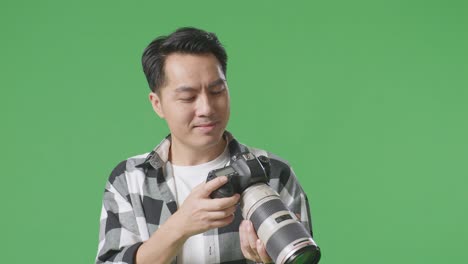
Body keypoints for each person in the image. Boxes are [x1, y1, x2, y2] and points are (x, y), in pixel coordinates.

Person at [96, 27, 316, 264]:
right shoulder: (129, 180)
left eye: (217, 91)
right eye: (188, 97)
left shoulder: (273, 173)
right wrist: (180, 226)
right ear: (157, 104)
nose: (207, 109)